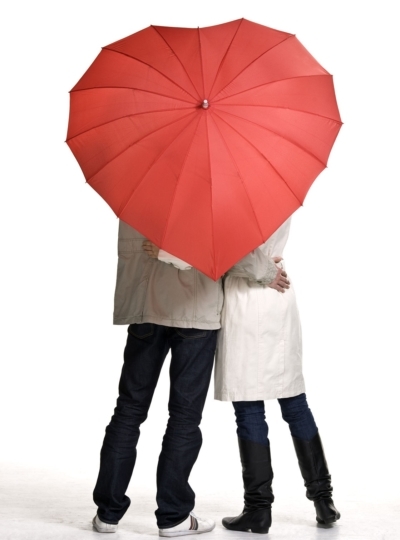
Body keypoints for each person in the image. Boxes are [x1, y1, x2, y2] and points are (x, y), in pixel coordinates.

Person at [92, 219, 223, 536]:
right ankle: (175, 516)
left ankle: (107, 515)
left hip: (147, 304)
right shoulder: (213, 193)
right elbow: (222, 253)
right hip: (197, 311)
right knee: (184, 417)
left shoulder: (141, 185)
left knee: (129, 409)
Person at [214, 217, 340, 533]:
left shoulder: (233, 202)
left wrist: (253, 269)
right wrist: (266, 268)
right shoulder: (274, 193)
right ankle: (323, 500)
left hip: (247, 300)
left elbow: (238, 255)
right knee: (294, 403)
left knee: (249, 408)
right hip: (279, 297)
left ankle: (258, 508)